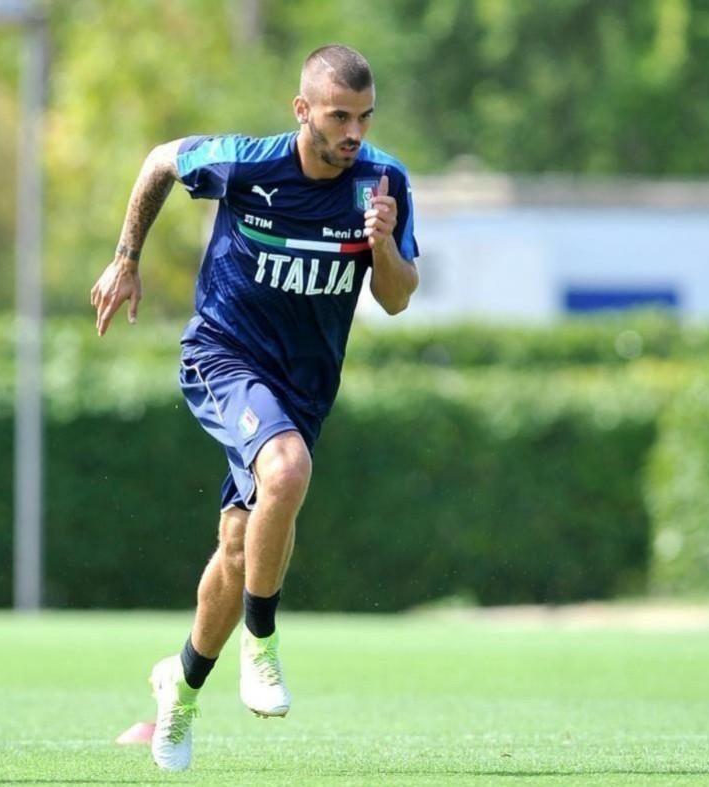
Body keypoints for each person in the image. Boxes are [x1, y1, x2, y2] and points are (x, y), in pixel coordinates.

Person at [88, 44, 419, 772]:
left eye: (364, 117)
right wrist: (126, 257)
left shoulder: (382, 181)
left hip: (302, 385)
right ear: (302, 111)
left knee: (239, 551)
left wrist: (384, 243)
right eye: (338, 116)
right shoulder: (245, 163)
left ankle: (181, 683)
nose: (353, 132)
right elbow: (160, 163)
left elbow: (395, 298)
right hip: (222, 358)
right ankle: (262, 646)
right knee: (289, 469)